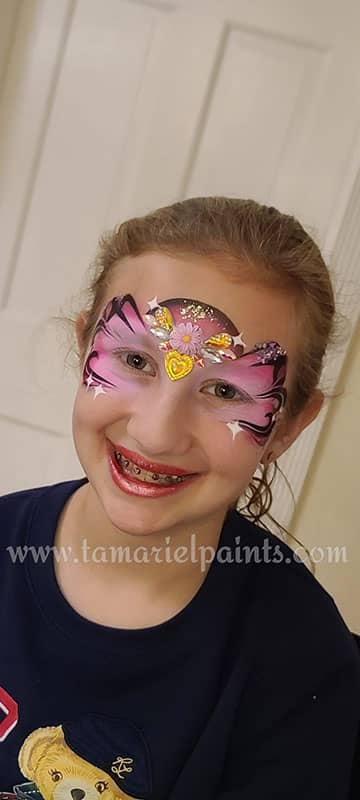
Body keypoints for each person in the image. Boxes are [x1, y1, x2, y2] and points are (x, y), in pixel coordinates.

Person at [0, 196, 359, 800]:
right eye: (137, 359)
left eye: (223, 388)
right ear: (87, 341)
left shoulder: (301, 663)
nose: (156, 432)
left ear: (291, 424)